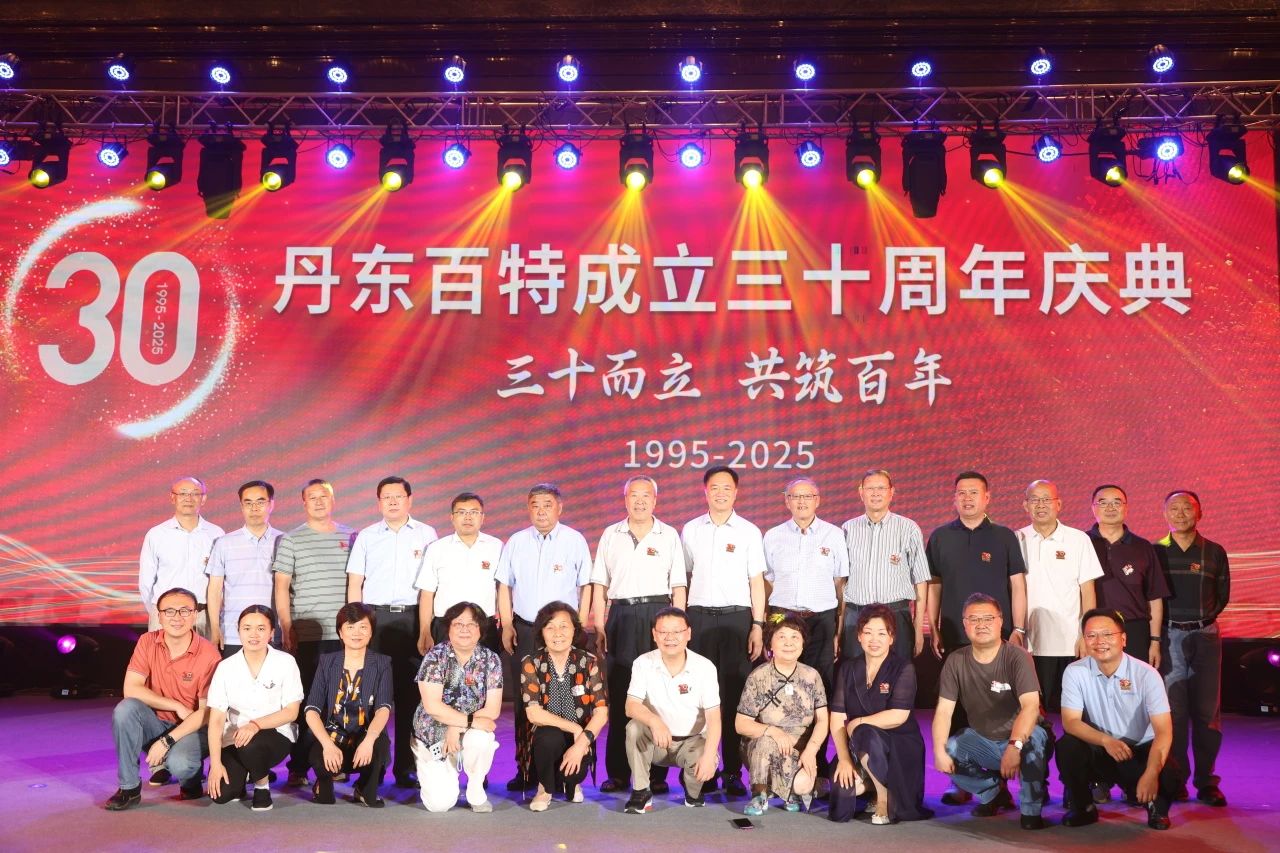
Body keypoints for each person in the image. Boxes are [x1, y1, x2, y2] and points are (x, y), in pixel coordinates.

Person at [590, 476, 688, 793]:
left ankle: (657, 775)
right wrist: (599, 624)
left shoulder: (668, 535)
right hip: (620, 615)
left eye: (646, 495)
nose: (640, 501)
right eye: (634, 495)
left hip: (657, 615)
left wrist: (678, 627)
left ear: (655, 500)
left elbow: (678, 586)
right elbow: (600, 584)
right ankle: (618, 772)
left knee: (658, 695)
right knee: (621, 694)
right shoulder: (611, 534)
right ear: (625, 499)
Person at [497, 483, 593, 792]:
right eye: (535, 505)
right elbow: (504, 586)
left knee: (567, 700)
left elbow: (586, 586)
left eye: (547, 504)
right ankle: (525, 769)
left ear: (559, 508)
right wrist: (507, 624)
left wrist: (579, 626)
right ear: (528, 508)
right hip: (526, 630)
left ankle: (568, 768)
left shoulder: (574, 540)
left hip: (564, 634)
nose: (541, 511)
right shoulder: (516, 541)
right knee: (526, 703)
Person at [346, 475, 437, 788]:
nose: (393, 502)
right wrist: (355, 625)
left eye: (399, 496)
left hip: (412, 619)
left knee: (410, 697)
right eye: (387, 497)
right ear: (379, 502)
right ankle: (372, 766)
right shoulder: (367, 536)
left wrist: (426, 627)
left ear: (410, 500)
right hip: (375, 620)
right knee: (372, 695)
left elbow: (431, 586)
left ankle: (405, 768)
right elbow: (355, 582)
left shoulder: (427, 534)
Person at [932, 593, 1051, 831]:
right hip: (984, 739)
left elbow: (1030, 707)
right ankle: (992, 792)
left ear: (1000, 621)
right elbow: (943, 712)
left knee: (1035, 738)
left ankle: (1031, 807)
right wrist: (938, 751)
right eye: (974, 619)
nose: (981, 624)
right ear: (965, 624)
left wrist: (1014, 746)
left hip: (1022, 738)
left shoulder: (1017, 656)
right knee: (950, 748)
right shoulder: (956, 660)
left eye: (988, 618)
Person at [682, 465, 767, 797]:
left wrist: (757, 624)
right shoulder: (690, 530)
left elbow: (756, 581)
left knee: (733, 697)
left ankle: (732, 770)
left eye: (727, 488)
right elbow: (684, 578)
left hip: (736, 619)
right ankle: (703, 769)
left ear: (736, 492)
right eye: (714, 488)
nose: (720, 493)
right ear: (705, 491)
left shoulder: (749, 531)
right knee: (698, 697)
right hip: (699, 618)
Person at [1058, 608, 1181, 830]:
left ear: (1123, 639)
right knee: (1068, 746)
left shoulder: (1146, 674)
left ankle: (1155, 806)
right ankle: (1083, 807)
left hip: (1138, 751)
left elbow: (1164, 731)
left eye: (1107, 634)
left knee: (1168, 768)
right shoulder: (1074, 671)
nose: (1099, 641)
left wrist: (1151, 773)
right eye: (1091, 635)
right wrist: (1106, 741)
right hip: (1102, 748)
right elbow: (1070, 722)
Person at [105, 587, 221, 810]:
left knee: (180, 764)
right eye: (169, 611)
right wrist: (175, 705)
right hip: (157, 723)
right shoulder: (147, 641)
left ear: (195, 615)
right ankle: (129, 787)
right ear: (159, 616)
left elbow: (206, 713)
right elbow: (131, 688)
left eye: (184, 611)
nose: (177, 617)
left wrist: (166, 741)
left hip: (193, 728)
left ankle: (191, 779)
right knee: (125, 709)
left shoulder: (209, 654)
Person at [272, 478, 356, 785]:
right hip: (308, 635)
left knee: (340, 702)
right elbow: (282, 587)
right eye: (312, 497)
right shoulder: (291, 539)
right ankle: (298, 766)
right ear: (304, 502)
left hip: (344, 635)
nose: (319, 502)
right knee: (307, 700)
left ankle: (333, 762)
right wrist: (286, 627)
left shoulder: (351, 536)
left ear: (333, 501)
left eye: (324, 496)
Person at [1155, 490, 1229, 807]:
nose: (1181, 513)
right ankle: (1176, 779)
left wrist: (1202, 621)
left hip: (1206, 636)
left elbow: (1222, 595)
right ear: (1164, 514)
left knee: (1207, 712)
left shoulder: (1214, 551)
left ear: (1200, 513)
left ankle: (1207, 782)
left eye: (1188, 508)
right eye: (1174, 508)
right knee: (1173, 712)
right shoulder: (1155, 552)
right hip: (1169, 636)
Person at [828, 604, 932, 825]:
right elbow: (836, 716)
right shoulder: (848, 668)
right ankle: (870, 787)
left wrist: (859, 722)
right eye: (868, 632)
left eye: (882, 633)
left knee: (864, 731)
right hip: (859, 745)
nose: (874, 639)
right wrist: (844, 759)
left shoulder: (903, 667)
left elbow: (899, 715)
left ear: (891, 638)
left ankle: (884, 797)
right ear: (859, 636)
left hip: (898, 744)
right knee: (841, 801)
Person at [622, 607, 720, 813]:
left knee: (698, 782)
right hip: (658, 742)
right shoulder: (643, 663)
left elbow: (714, 717)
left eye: (677, 631)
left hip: (692, 742)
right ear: (654, 634)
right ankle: (641, 791)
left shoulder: (704, 667)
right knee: (634, 728)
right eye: (663, 631)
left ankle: (691, 787)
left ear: (688, 633)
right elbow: (631, 706)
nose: (670, 637)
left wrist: (710, 755)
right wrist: (655, 722)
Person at [206, 605, 304, 811]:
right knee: (221, 794)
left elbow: (291, 712)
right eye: (247, 628)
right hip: (234, 737)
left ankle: (262, 785)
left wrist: (255, 725)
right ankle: (245, 775)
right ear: (238, 631)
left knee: (251, 744)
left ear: (271, 632)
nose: (253, 634)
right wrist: (215, 764)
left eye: (261, 628)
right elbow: (216, 719)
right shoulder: (225, 667)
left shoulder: (286, 662)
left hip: (274, 734)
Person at [1016, 479, 1103, 713]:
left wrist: (1086, 635)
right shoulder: (1016, 539)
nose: (1040, 505)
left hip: (1071, 643)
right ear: (1025, 505)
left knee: (1076, 712)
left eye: (1047, 499)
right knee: (1033, 714)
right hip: (1030, 644)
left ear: (1059, 504)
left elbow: (1088, 591)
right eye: (1034, 500)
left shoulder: (1078, 539)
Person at [762, 477, 847, 712]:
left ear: (817, 500)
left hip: (821, 619)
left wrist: (837, 630)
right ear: (786, 501)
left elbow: (839, 583)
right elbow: (767, 581)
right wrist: (767, 625)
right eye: (795, 496)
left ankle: (817, 736)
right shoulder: (772, 535)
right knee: (780, 680)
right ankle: (781, 733)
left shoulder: (834, 535)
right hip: (782, 616)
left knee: (820, 681)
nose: (802, 501)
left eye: (807, 496)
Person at [412, 601, 503, 813]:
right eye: (458, 624)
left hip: (470, 730)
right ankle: (432, 763)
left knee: (482, 739)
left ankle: (475, 788)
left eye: (471, 624)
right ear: (449, 628)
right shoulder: (435, 657)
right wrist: (463, 722)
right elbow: (432, 706)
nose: (464, 629)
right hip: (433, 732)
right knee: (439, 805)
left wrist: (457, 726)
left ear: (480, 629)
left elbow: (492, 710)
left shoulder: (491, 659)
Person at [927, 471, 1028, 659]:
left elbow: (1018, 585)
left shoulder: (1004, 536)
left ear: (986, 497)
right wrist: (933, 627)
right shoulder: (940, 537)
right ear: (955, 498)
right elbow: (934, 586)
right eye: (961, 493)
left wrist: (1019, 629)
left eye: (973, 492)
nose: (967, 498)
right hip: (954, 633)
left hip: (999, 634)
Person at [734, 613, 828, 816]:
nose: (789, 643)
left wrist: (811, 750)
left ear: (803, 643)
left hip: (799, 749)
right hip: (763, 747)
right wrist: (773, 731)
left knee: (803, 785)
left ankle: (792, 791)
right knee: (765, 742)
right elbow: (741, 724)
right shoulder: (758, 676)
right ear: (770, 643)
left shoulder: (812, 676)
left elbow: (822, 720)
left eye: (795, 637)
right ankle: (759, 794)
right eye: (782, 636)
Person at [519, 601, 608, 811]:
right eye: (550, 627)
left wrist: (581, 742)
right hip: (547, 734)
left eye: (563, 626)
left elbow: (601, 712)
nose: (557, 633)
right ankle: (544, 788)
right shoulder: (531, 662)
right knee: (548, 738)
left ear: (574, 630)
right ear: (541, 632)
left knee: (574, 769)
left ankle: (572, 783)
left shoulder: (589, 661)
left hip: (580, 736)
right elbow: (533, 713)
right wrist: (574, 728)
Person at [303, 603, 392, 807]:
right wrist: (327, 745)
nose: (356, 633)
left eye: (363, 627)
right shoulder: (327, 662)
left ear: (371, 632)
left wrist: (369, 740)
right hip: (333, 736)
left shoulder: (382, 663)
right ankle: (323, 781)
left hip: (364, 735)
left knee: (379, 744)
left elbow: (383, 708)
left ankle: (363, 788)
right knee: (325, 798)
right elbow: (311, 710)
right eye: (350, 627)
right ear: (340, 633)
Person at [841, 469, 930, 663]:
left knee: (898, 674)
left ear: (891, 492)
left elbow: (921, 581)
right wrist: (838, 628)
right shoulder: (847, 529)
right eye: (870, 488)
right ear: (861, 492)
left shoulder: (908, 528)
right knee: (855, 675)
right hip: (856, 616)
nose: (875, 493)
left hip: (896, 615)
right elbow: (841, 581)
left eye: (881, 488)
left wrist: (917, 629)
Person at [1087, 484, 1169, 666]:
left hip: (1134, 630)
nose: (1110, 508)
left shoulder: (1143, 547)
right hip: (1092, 629)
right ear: (1093, 507)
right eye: (1103, 503)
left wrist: (1155, 641)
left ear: (1126, 507)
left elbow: (1155, 598)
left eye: (1117, 502)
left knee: (1133, 682)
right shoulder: (1080, 543)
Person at [415, 492, 503, 654]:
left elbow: (502, 589)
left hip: (484, 626)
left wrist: (507, 625)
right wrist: (425, 631)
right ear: (452, 517)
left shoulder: (496, 547)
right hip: (446, 626)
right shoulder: (437, 548)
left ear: (482, 517)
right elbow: (427, 593)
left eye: (473, 512)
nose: (468, 517)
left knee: (485, 669)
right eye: (461, 512)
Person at [139, 476, 224, 636]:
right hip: (166, 616)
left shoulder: (216, 534)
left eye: (195, 493)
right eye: (183, 493)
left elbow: (221, 583)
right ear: (173, 497)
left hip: (203, 616)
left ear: (203, 499)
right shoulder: (156, 534)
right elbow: (146, 583)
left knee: (205, 653)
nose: (188, 498)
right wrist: (159, 613)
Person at [207, 480, 283, 658]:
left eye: (260, 502)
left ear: (271, 504)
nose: (254, 508)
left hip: (273, 633)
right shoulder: (224, 543)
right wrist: (215, 629)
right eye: (248, 503)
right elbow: (214, 590)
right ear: (241, 506)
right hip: (233, 634)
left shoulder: (285, 541)